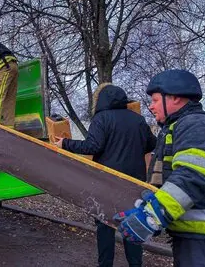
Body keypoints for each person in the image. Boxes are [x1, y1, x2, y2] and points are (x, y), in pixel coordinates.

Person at [55, 83, 157, 267]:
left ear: (101, 100)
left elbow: (93, 146)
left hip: (107, 182)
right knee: (132, 226)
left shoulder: (101, 119)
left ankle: (105, 264)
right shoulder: (138, 120)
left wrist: (66, 143)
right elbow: (151, 144)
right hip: (134, 182)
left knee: (105, 226)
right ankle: (135, 264)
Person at [114, 70, 205, 266]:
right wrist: (149, 208)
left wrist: (152, 216)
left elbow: (193, 177)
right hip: (193, 236)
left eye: (155, 100)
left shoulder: (195, 124)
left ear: (175, 98)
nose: (151, 106)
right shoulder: (179, 126)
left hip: (201, 241)